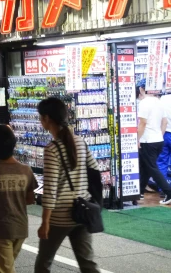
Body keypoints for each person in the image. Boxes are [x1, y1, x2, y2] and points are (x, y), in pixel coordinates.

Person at [35, 97, 100, 273]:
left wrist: (45, 222)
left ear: (47, 118)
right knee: (87, 263)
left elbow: (50, 189)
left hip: (60, 216)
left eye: (40, 117)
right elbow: (94, 170)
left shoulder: (52, 148)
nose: (40, 121)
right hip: (82, 210)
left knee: (43, 263)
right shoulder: (79, 141)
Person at [0, 125, 38, 273]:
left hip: (0, 229)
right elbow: (30, 199)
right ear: (13, 144)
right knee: (7, 266)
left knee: (3, 269)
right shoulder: (26, 170)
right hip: (20, 229)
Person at [136, 79, 171, 204]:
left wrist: (137, 139)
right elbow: (164, 122)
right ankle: (140, 192)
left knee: (152, 167)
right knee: (145, 166)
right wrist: (160, 134)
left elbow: (142, 123)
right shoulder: (159, 102)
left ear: (141, 89)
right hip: (158, 139)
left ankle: (169, 192)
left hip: (148, 140)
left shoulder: (143, 103)